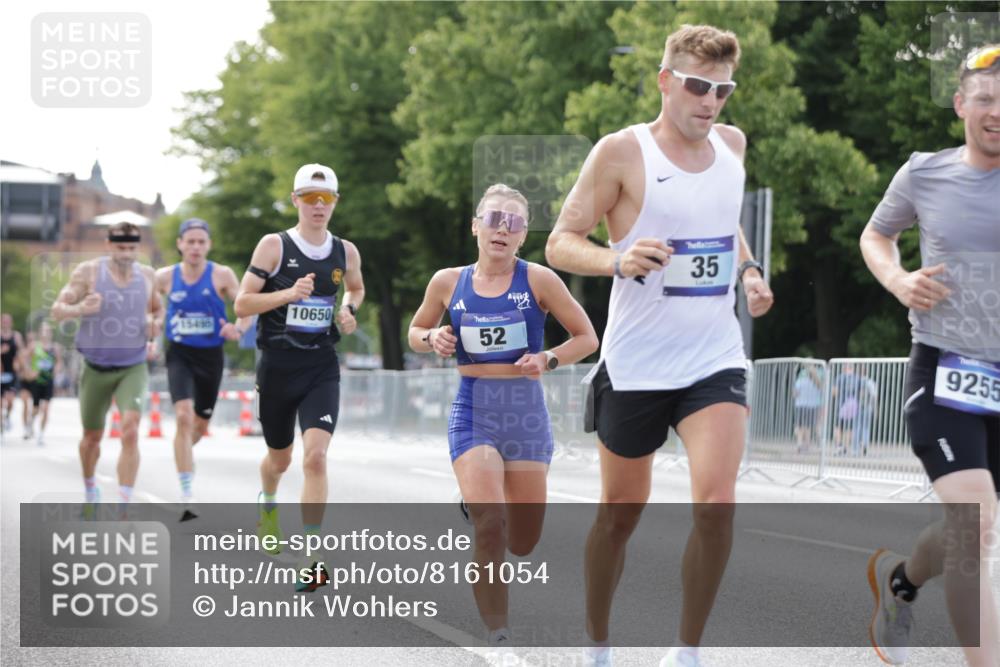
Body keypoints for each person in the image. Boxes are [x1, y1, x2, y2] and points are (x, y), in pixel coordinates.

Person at [545, 24, 774, 667]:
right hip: (637, 361)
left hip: (713, 358)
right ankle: (596, 643)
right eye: (698, 86)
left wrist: (751, 272)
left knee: (717, 505)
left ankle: (688, 651)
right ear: (666, 81)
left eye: (722, 90)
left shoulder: (732, 144)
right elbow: (562, 241)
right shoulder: (621, 152)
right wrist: (616, 259)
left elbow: (722, 221)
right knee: (619, 514)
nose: (710, 101)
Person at [408, 183, 598, 646]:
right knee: (491, 524)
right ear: (476, 226)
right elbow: (415, 330)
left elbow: (586, 337)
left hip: (526, 415)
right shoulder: (446, 282)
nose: (502, 229)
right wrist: (432, 338)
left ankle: (482, 502)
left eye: (512, 223)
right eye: (493, 219)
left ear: (522, 235)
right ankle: (499, 637)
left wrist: (548, 359)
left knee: (524, 541)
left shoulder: (539, 280)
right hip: (473, 408)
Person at [860, 43, 999, 667]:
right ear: (960, 104)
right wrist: (898, 280)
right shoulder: (925, 172)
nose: (996, 110)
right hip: (946, 369)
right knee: (975, 527)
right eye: (986, 97)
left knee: (969, 531)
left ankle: (904, 580)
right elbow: (877, 234)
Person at [235, 163, 364, 592]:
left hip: (320, 367)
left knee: (315, 458)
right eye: (310, 198)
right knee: (280, 460)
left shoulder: (346, 251)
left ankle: (313, 559)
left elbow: (356, 288)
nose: (318, 206)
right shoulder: (274, 246)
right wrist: (288, 294)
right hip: (276, 367)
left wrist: (349, 310)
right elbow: (242, 304)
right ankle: (268, 502)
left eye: (326, 198)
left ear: (335, 203)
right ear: (295, 201)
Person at [51, 221, 162, 517]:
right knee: (91, 438)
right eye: (121, 247)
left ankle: (123, 506)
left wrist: (156, 325)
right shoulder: (88, 272)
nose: (127, 253)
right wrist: (80, 309)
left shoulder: (148, 275)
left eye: (132, 248)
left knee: (130, 430)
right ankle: (91, 491)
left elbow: (158, 310)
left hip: (133, 366)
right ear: (108, 245)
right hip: (95, 367)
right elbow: (58, 310)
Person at [154, 218, 252, 521]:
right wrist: (153, 327)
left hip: (211, 355)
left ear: (208, 245)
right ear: (180, 244)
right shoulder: (164, 277)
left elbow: (245, 306)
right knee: (183, 416)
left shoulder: (222, 274)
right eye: (190, 241)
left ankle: (184, 452)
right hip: (179, 353)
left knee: (198, 425)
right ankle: (186, 492)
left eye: (201, 242)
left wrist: (237, 328)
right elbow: (152, 310)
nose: (195, 247)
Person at [18, 322, 62, 447]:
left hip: (48, 381)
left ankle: (41, 434)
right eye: (43, 330)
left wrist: (56, 370)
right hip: (36, 380)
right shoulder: (34, 346)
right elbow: (22, 356)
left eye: (48, 330)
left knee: (46, 408)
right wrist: (28, 371)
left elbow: (59, 362)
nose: (46, 333)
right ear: (40, 333)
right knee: (36, 408)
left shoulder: (55, 347)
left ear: (51, 333)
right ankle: (30, 423)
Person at [1, 313, 25, 434]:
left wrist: (21, 366)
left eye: (7, 321)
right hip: (0, 371)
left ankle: (7, 417)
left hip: (11, 372)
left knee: (10, 401)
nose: (5, 323)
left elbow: (21, 352)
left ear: (11, 323)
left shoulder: (16, 336)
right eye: (3, 321)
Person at [793, 365, 823, 452]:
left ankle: (799, 444)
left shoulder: (800, 381)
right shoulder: (817, 383)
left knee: (799, 426)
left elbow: (795, 393)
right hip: (813, 406)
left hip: (801, 405)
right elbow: (820, 390)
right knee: (808, 427)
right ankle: (807, 445)